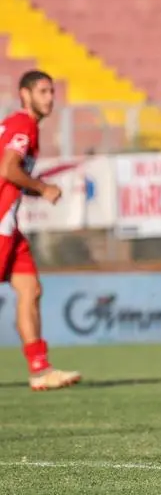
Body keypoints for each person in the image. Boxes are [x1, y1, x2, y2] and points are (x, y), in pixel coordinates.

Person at [0, 70, 81, 391]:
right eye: (43, 91)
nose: (50, 98)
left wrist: (37, 189)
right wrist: (43, 188)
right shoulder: (23, 124)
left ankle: (40, 369)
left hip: (10, 225)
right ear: (25, 94)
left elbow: (11, 175)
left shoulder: (17, 124)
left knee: (30, 290)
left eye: (52, 91)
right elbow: (8, 168)